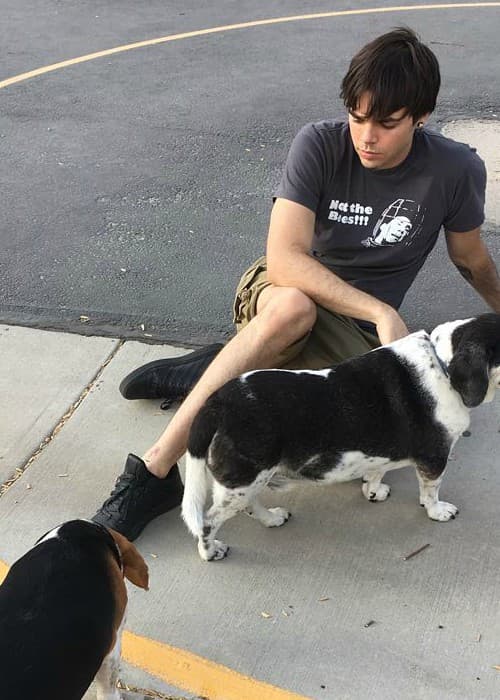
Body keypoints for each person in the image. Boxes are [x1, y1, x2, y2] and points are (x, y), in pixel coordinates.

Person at [93, 27, 500, 541]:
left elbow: (471, 260)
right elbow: (284, 259)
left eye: (387, 123)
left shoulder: (454, 169)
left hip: (352, 331)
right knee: (291, 314)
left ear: (421, 116)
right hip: (289, 292)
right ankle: (152, 473)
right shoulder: (320, 143)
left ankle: (218, 367)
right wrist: (381, 312)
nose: (366, 136)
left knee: (349, 449)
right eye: (357, 116)